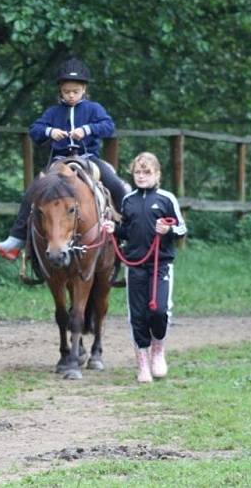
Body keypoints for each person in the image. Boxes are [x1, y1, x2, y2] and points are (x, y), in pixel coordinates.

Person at [0, 58, 129, 260]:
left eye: (75, 91)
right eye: (67, 91)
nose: (71, 95)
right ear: (60, 91)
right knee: (34, 191)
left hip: (89, 159)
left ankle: (127, 234)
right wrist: (50, 132)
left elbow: (108, 126)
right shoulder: (53, 112)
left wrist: (87, 129)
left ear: (84, 90)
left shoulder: (94, 109)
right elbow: (35, 130)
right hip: (60, 161)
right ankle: (15, 241)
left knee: (116, 185)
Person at [103, 152, 187, 382]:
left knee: (159, 311)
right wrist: (114, 229)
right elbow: (126, 231)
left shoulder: (166, 199)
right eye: (138, 172)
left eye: (146, 172)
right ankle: (142, 361)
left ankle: (158, 350)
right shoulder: (128, 200)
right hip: (135, 265)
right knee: (137, 315)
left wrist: (167, 230)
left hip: (160, 265)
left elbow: (181, 229)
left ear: (157, 174)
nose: (141, 177)